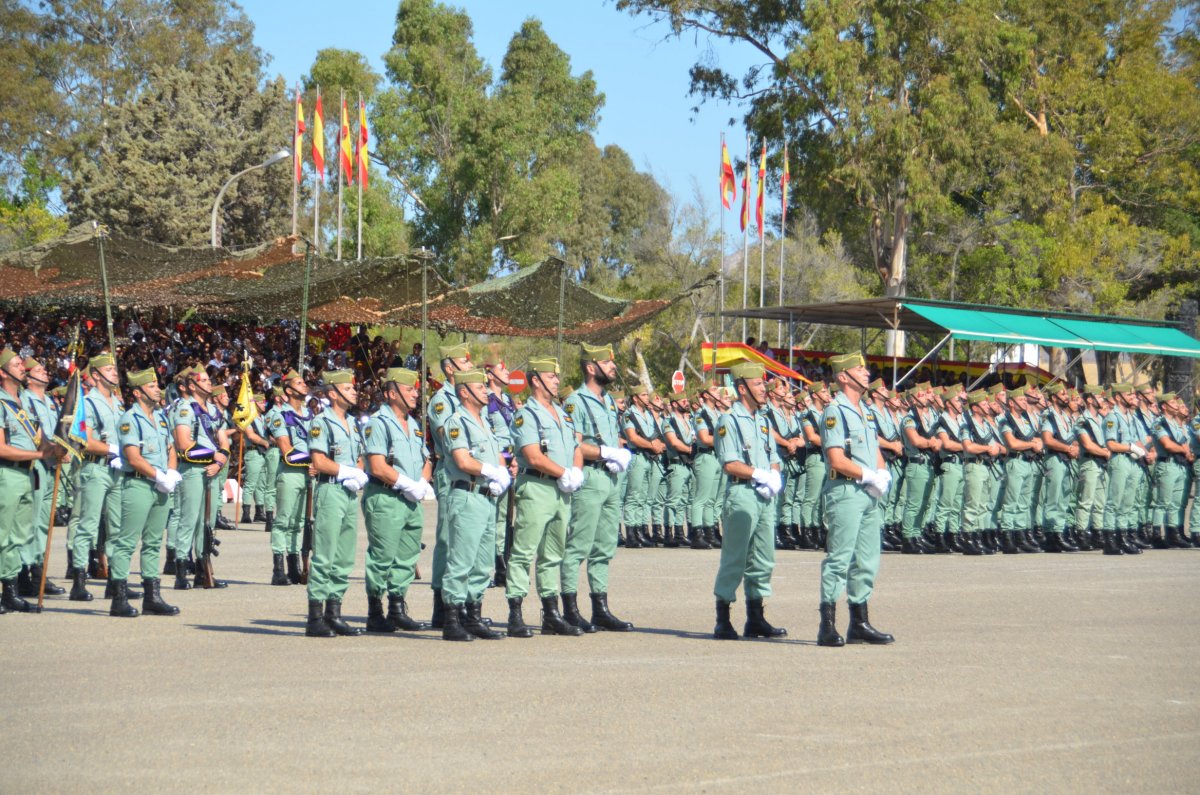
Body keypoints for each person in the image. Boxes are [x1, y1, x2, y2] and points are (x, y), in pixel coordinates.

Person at [816, 352, 894, 647]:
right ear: (843, 377)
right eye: (858, 369)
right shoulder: (834, 411)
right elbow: (836, 459)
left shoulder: (866, 411)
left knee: (867, 559)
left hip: (868, 492)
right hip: (846, 491)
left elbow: (874, 450)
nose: (866, 372)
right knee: (839, 559)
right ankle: (827, 625)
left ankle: (859, 623)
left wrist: (882, 473)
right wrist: (867, 475)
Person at [505, 357, 584, 638]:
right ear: (536, 381)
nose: (557, 381)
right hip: (537, 486)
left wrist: (575, 471)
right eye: (551, 377)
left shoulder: (562, 414)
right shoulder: (526, 415)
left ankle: (551, 614)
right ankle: (515, 613)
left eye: (556, 376)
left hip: (561, 490)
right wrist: (564, 472)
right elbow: (533, 455)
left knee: (553, 553)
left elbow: (576, 447)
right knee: (524, 552)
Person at [561, 343, 634, 633]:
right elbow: (574, 444)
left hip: (611, 479)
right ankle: (570, 609)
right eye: (607, 363)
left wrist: (618, 452)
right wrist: (606, 452)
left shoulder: (608, 401)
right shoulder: (576, 401)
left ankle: (600, 609)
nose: (613, 367)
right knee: (578, 545)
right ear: (591, 368)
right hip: (590, 478)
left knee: (605, 546)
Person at [711, 361, 786, 641]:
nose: (764, 389)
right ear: (742, 389)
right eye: (757, 384)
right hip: (742, 493)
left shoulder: (763, 420)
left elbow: (774, 457)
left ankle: (756, 618)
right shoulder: (728, 420)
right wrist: (758, 474)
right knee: (735, 557)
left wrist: (773, 476)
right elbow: (729, 462)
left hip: (764, 496)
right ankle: (723, 619)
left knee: (764, 558)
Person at [361, 367, 433, 632]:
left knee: (407, 556)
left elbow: (427, 459)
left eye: (415, 390)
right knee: (382, 556)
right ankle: (375, 611)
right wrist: (405, 483)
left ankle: (397, 608)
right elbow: (377, 465)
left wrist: (422, 482)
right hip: (386, 496)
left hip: (411, 500)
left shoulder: (413, 424)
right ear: (392, 394)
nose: (415, 394)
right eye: (409, 390)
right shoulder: (378, 423)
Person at [440, 369, 510, 641]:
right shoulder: (457, 422)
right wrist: (490, 471)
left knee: (482, 562)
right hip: (467, 495)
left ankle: (473, 615)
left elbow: (497, 455)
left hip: (487, 496)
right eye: (479, 387)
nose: (485, 391)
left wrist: (502, 472)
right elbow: (462, 460)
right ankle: (451, 619)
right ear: (464, 392)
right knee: (462, 560)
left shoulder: (485, 422)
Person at [110, 368, 181, 617]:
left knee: (153, 543)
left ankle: (152, 597)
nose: (158, 390)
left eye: (157, 385)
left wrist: (170, 473)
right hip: (139, 484)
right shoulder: (130, 419)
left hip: (160, 487)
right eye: (151, 387)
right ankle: (118, 598)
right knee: (127, 542)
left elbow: (171, 448)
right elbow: (133, 457)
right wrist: (158, 476)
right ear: (138, 393)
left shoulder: (160, 418)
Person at [304, 370, 368, 638]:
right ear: (333, 393)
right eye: (348, 388)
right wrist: (346, 472)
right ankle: (315, 616)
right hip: (330, 490)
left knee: (343, 556)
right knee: (325, 554)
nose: (354, 392)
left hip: (349, 492)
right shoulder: (322, 422)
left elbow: (360, 456)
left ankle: (334, 612)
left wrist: (358, 473)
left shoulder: (354, 423)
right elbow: (319, 461)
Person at [0, 350, 55, 613]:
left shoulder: (26, 403)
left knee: (16, 536)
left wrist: (56, 449)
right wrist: (39, 455)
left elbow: (40, 439)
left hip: (27, 474)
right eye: (16, 365)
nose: (23, 368)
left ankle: (10, 592)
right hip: (7, 473)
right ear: (2, 372)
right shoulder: (1, 403)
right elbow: (1, 448)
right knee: (1, 534)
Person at [70, 353, 126, 601]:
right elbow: (86, 441)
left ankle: (116, 581)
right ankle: (79, 581)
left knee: (117, 527)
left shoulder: (118, 403)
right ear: (96, 374)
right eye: (109, 369)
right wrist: (114, 449)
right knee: (88, 526)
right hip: (95, 468)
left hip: (117, 470)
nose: (115, 372)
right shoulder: (88, 403)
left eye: (115, 368)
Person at [426, 342, 473, 629]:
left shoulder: (470, 397)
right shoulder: (442, 400)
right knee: (447, 538)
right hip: (450, 470)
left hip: (470, 473)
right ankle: (441, 606)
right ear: (449, 367)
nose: (470, 365)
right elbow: (449, 436)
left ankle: (461, 602)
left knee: (466, 538)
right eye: (464, 362)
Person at [171, 365, 230, 589]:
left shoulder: (213, 410)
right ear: (192, 386)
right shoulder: (185, 408)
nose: (209, 383)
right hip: (193, 469)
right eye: (203, 381)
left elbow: (223, 441)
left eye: (208, 380)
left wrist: (219, 462)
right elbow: (183, 442)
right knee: (189, 519)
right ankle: (180, 570)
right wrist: (213, 456)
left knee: (208, 522)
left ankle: (203, 569)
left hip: (213, 470)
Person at [18, 357, 65, 597]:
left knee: (44, 523)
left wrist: (64, 449)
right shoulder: (24, 400)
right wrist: (51, 449)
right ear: (27, 377)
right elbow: (32, 433)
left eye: (44, 369)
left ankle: (39, 571)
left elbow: (58, 432)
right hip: (35, 463)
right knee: (32, 521)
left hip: (51, 465)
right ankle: (24, 573)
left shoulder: (51, 401)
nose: (45, 372)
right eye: (38, 370)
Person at [268, 370, 313, 585]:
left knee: (299, 521)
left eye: (304, 382)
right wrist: (313, 461)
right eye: (299, 383)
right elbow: (287, 450)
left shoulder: (311, 415)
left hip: (309, 473)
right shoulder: (279, 415)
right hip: (291, 471)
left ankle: (294, 566)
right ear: (289, 390)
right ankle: (278, 569)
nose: (305, 386)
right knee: (283, 520)